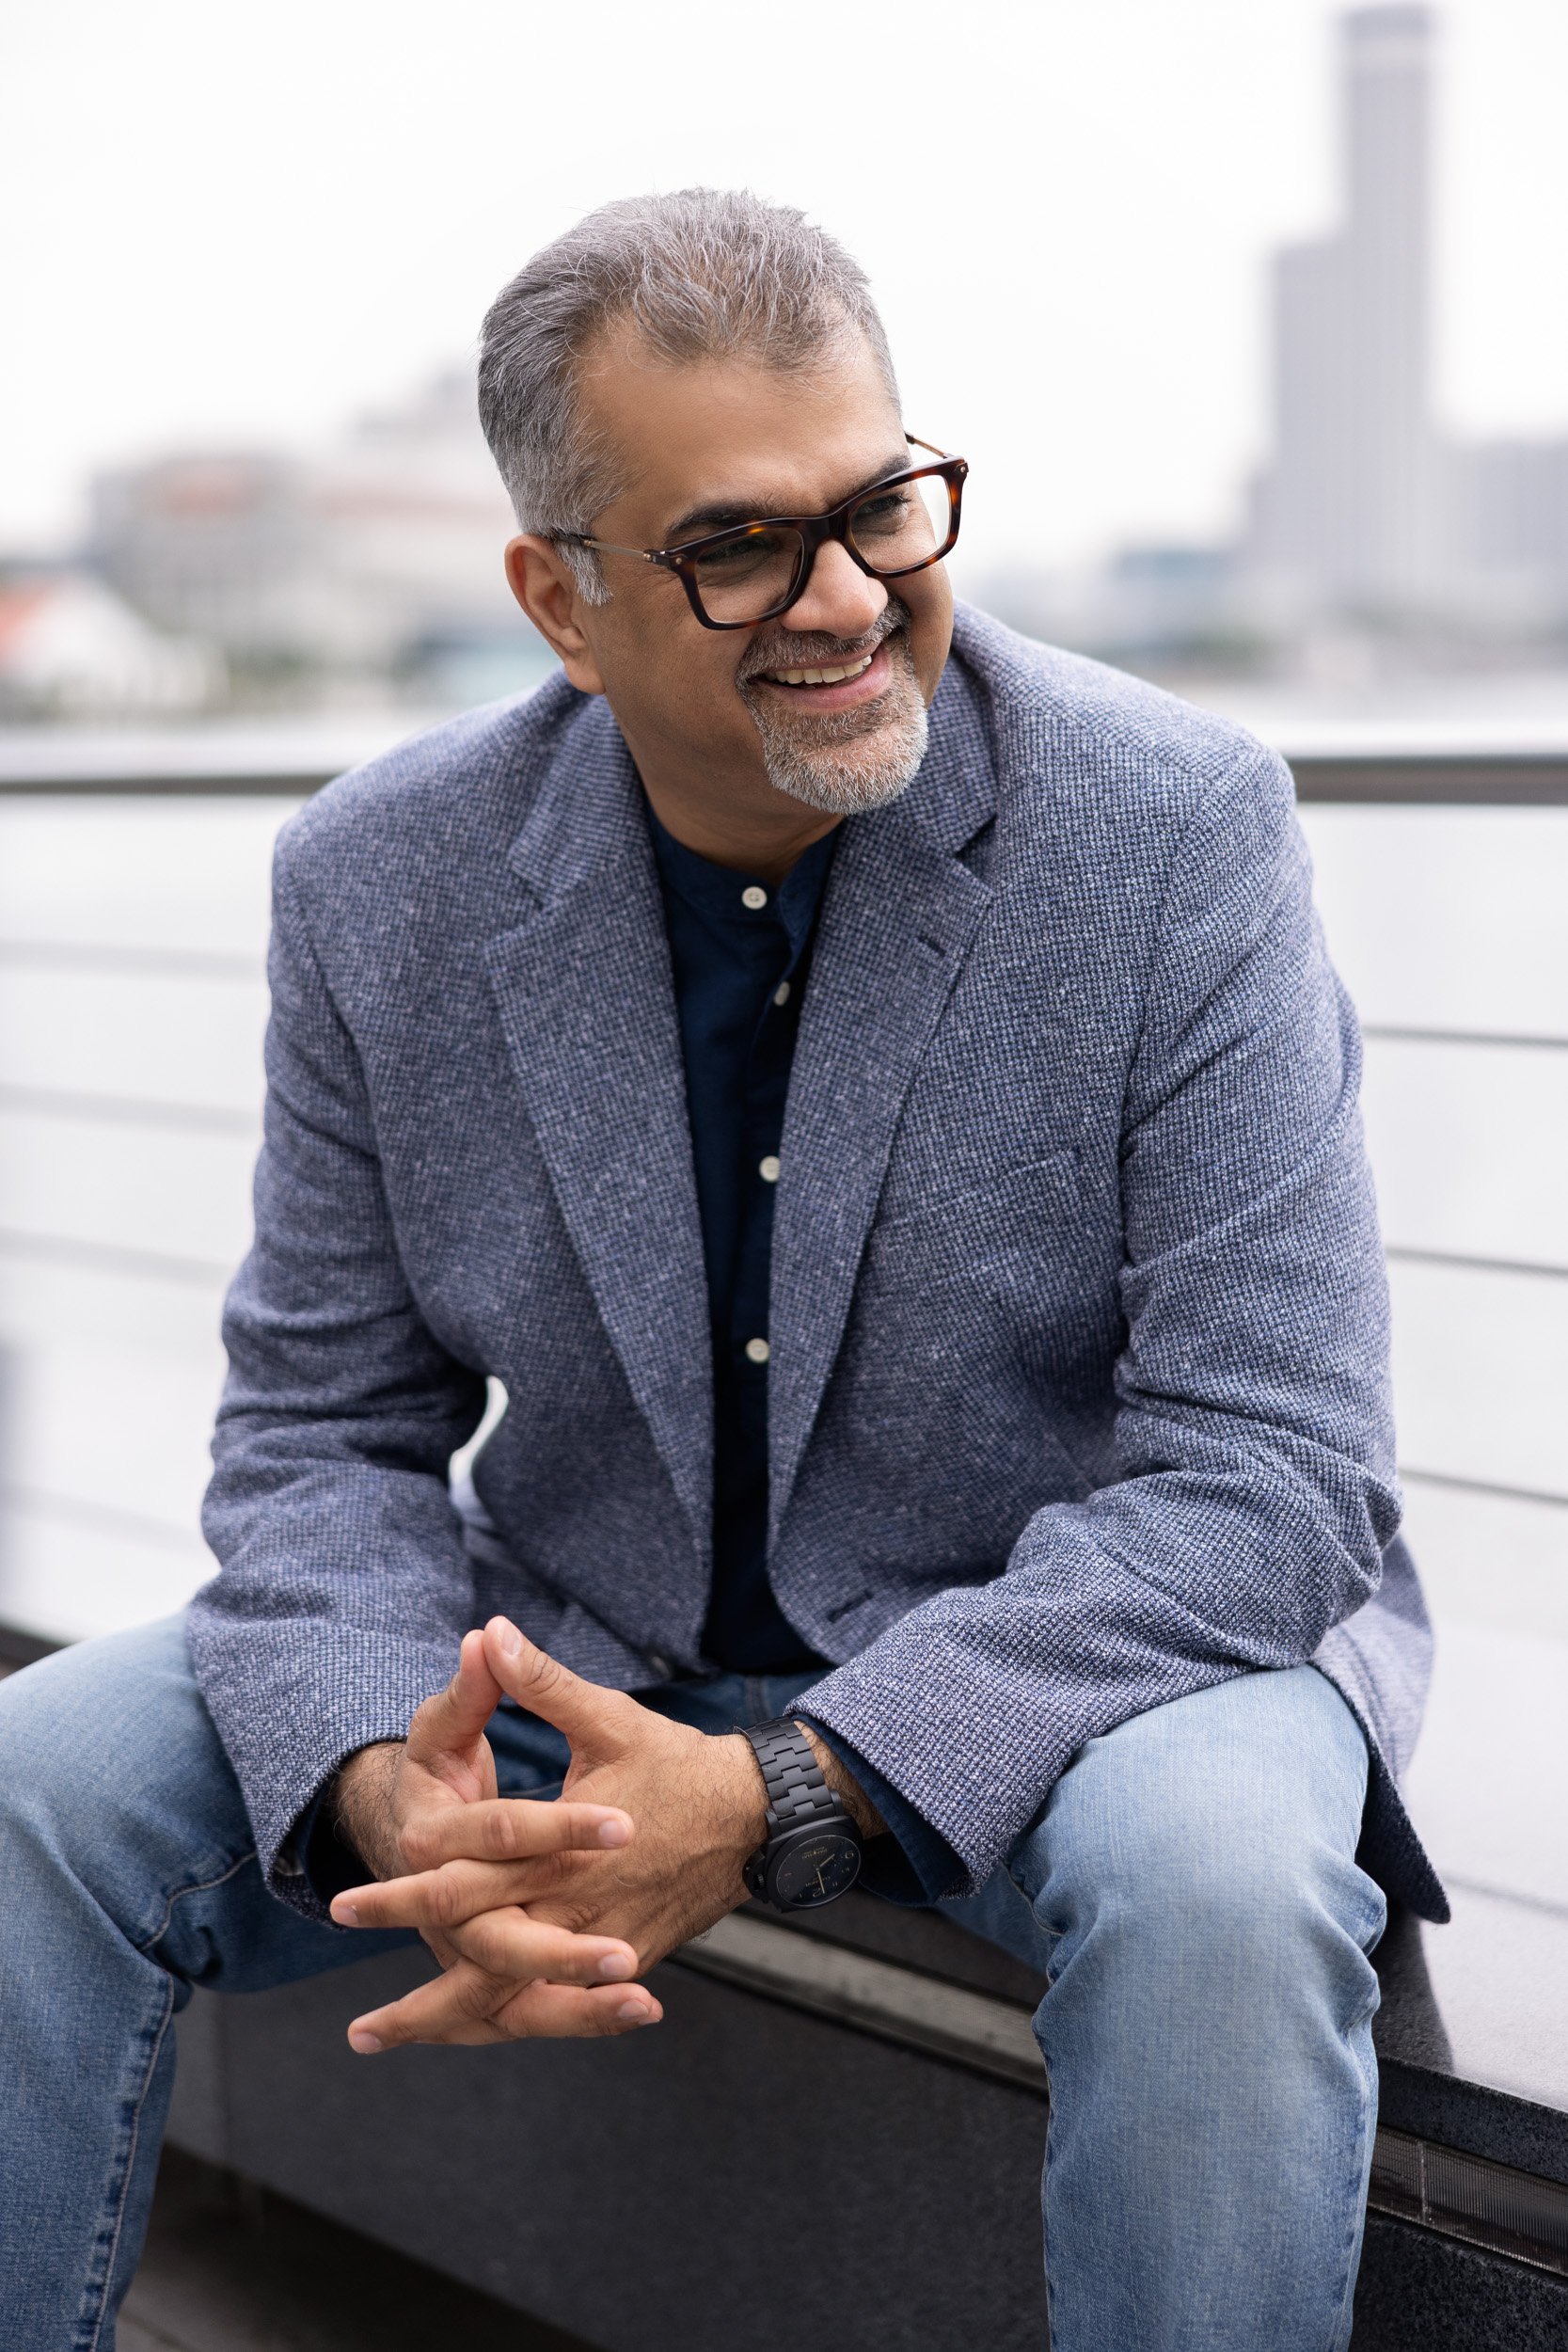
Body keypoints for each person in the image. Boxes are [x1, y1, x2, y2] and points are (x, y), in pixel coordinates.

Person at [0, 188, 1445, 2351]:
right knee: (31, 1790)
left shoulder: (1178, 828)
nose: (851, 595)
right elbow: (321, 1420)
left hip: (1088, 1658)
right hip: (584, 1635)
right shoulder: (380, 876)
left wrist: (786, 1785)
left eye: (886, 504)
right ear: (557, 601)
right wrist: (376, 1769)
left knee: (1228, 1895)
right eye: (744, 543)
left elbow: (1274, 1466)